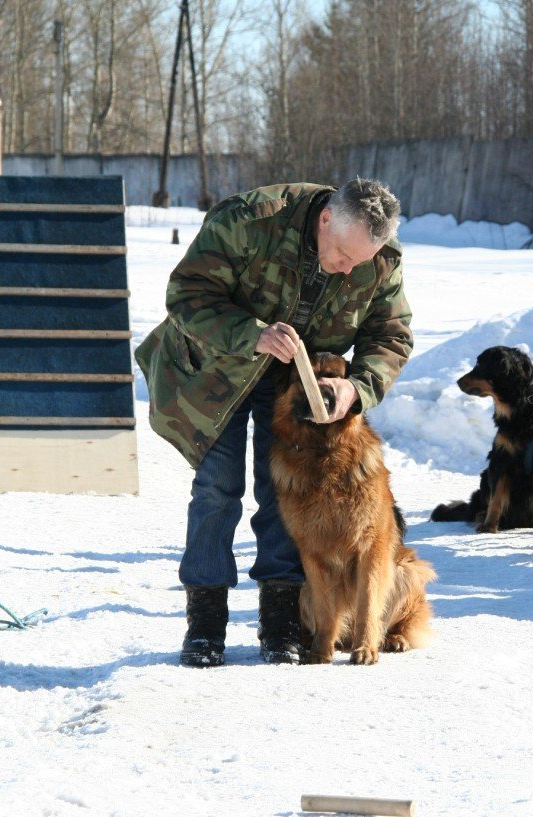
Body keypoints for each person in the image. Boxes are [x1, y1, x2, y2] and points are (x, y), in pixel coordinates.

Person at [135, 178, 412, 667]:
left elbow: (390, 334)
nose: (348, 268)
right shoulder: (248, 220)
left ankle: (280, 622)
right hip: (213, 371)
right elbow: (187, 296)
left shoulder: (379, 257)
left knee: (285, 494)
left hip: (291, 388)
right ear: (326, 219)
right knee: (217, 490)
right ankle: (205, 624)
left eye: (358, 262)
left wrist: (356, 388)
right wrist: (253, 334)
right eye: (342, 255)